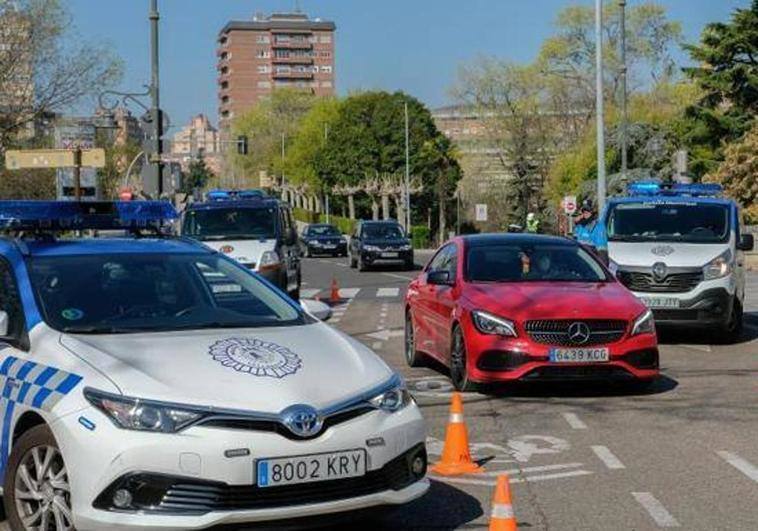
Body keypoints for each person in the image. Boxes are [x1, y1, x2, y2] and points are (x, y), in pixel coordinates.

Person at [573, 199, 608, 264]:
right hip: (580, 261)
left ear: (592, 212)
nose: (585, 213)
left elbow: (602, 250)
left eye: (588, 211)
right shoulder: (580, 226)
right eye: (583, 211)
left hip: (592, 263)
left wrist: (603, 269)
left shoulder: (598, 226)